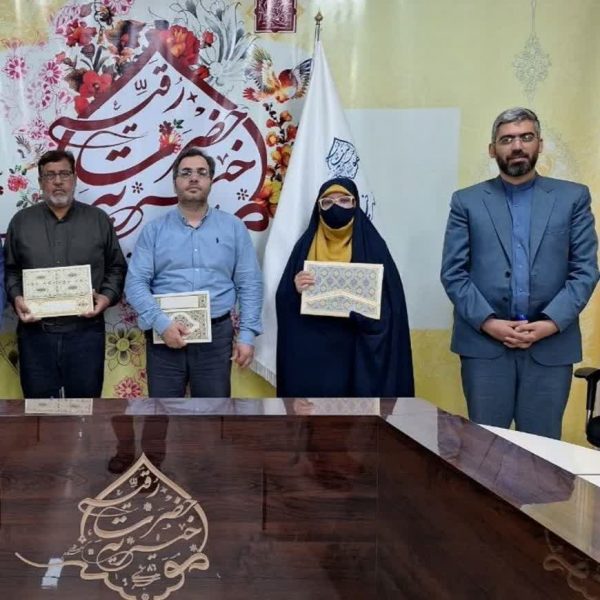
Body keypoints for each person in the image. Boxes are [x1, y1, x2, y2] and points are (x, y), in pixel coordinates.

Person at [441, 107, 599, 439]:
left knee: (542, 450)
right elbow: (454, 273)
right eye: (507, 139)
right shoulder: (467, 201)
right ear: (492, 149)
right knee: (485, 448)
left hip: (550, 345)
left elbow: (585, 270)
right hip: (485, 346)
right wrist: (490, 323)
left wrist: (549, 324)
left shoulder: (572, 198)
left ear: (540, 144)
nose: (517, 146)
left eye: (526, 137)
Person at [125, 146, 263, 397]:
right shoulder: (154, 231)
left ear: (211, 181)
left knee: (213, 413)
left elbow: (250, 283)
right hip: (163, 334)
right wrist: (162, 323)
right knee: (163, 413)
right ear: (175, 182)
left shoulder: (233, 227)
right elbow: (134, 284)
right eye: (186, 173)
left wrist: (246, 335)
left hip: (216, 337)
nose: (194, 178)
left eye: (201, 172)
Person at [4, 149, 127, 398]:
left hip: (86, 333)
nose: (58, 181)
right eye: (50, 175)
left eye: (64, 174)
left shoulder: (98, 220)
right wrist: (17, 298)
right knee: (38, 410)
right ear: (41, 182)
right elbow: (11, 270)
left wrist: (105, 298)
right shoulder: (21, 222)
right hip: (35, 335)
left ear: (75, 178)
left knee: (85, 409)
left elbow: (116, 267)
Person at [276, 176, 414, 397]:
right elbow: (284, 301)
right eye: (327, 202)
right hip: (314, 354)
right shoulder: (304, 247)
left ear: (355, 204)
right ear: (318, 208)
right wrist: (295, 289)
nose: (335, 207)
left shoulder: (374, 247)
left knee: (355, 415)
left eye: (344, 200)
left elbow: (393, 307)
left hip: (357, 352)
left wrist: (368, 314)